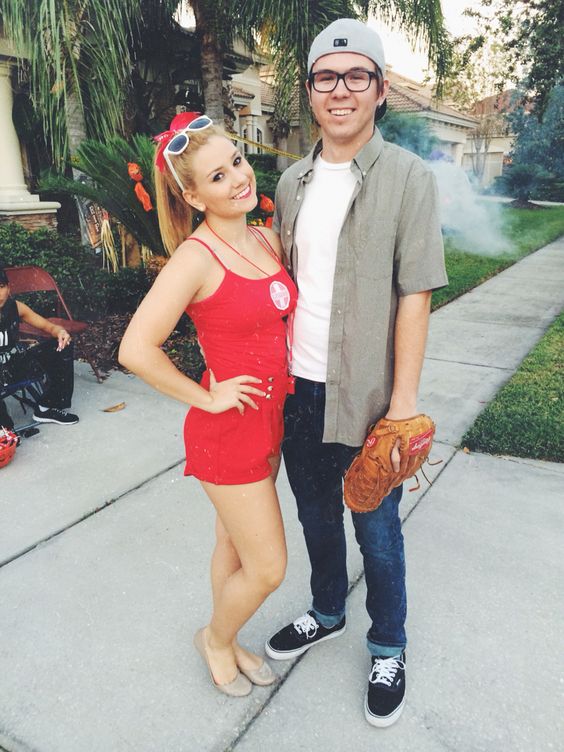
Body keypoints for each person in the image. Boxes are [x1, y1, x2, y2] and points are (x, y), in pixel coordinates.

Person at [265, 19, 448, 727]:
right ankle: (327, 609)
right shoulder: (291, 181)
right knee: (315, 515)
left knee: (378, 529)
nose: (339, 91)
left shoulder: (408, 178)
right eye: (325, 78)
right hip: (299, 390)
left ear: (379, 90)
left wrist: (402, 405)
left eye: (355, 77)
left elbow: (416, 293)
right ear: (310, 90)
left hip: (370, 399)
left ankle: (389, 643)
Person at [118, 113, 297, 697]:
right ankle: (216, 638)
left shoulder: (265, 237)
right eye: (217, 177)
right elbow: (135, 350)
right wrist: (207, 396)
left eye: (238, 163)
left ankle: (229, 631)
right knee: (269, 567)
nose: (238, 179)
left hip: (272, 418)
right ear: (193, 195)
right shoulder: (195, 258)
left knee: (232, 545)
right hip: (228, 431)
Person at [0, 265, 78, 431]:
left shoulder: (16, 307)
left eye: (1, 287)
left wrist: (60, 332)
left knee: (62, 346)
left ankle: (46, 408)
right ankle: (5, 429)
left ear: (8, 288)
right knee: (7, 434)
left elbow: (48, 327)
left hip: (14, 363)